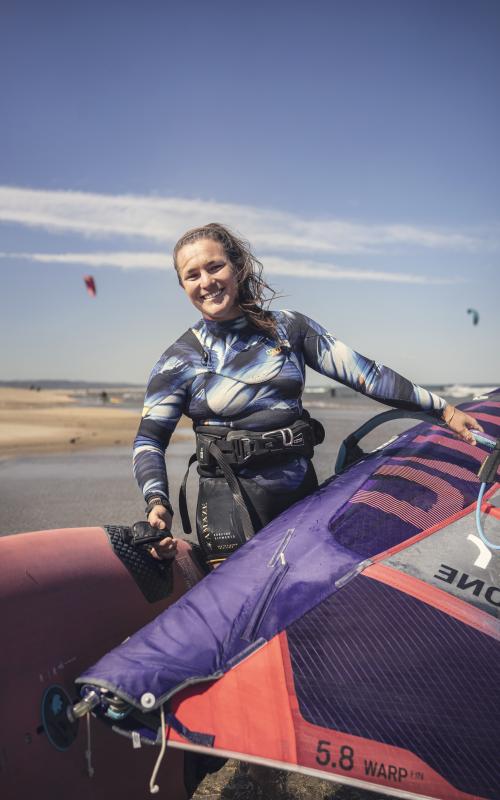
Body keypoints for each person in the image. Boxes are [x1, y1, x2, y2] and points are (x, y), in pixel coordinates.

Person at [133, 223, 483, 563]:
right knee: (243, 613)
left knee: (309, 604)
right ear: (182, 285)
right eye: (192, 275)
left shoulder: (288, 329)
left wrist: (445, 411)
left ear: (237, 268)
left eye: (215, 267)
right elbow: (149, 440)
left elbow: (367, 375)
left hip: (301, 495)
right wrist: (157, 502)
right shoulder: (179, 360)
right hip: (228, 505)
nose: (206, 282)